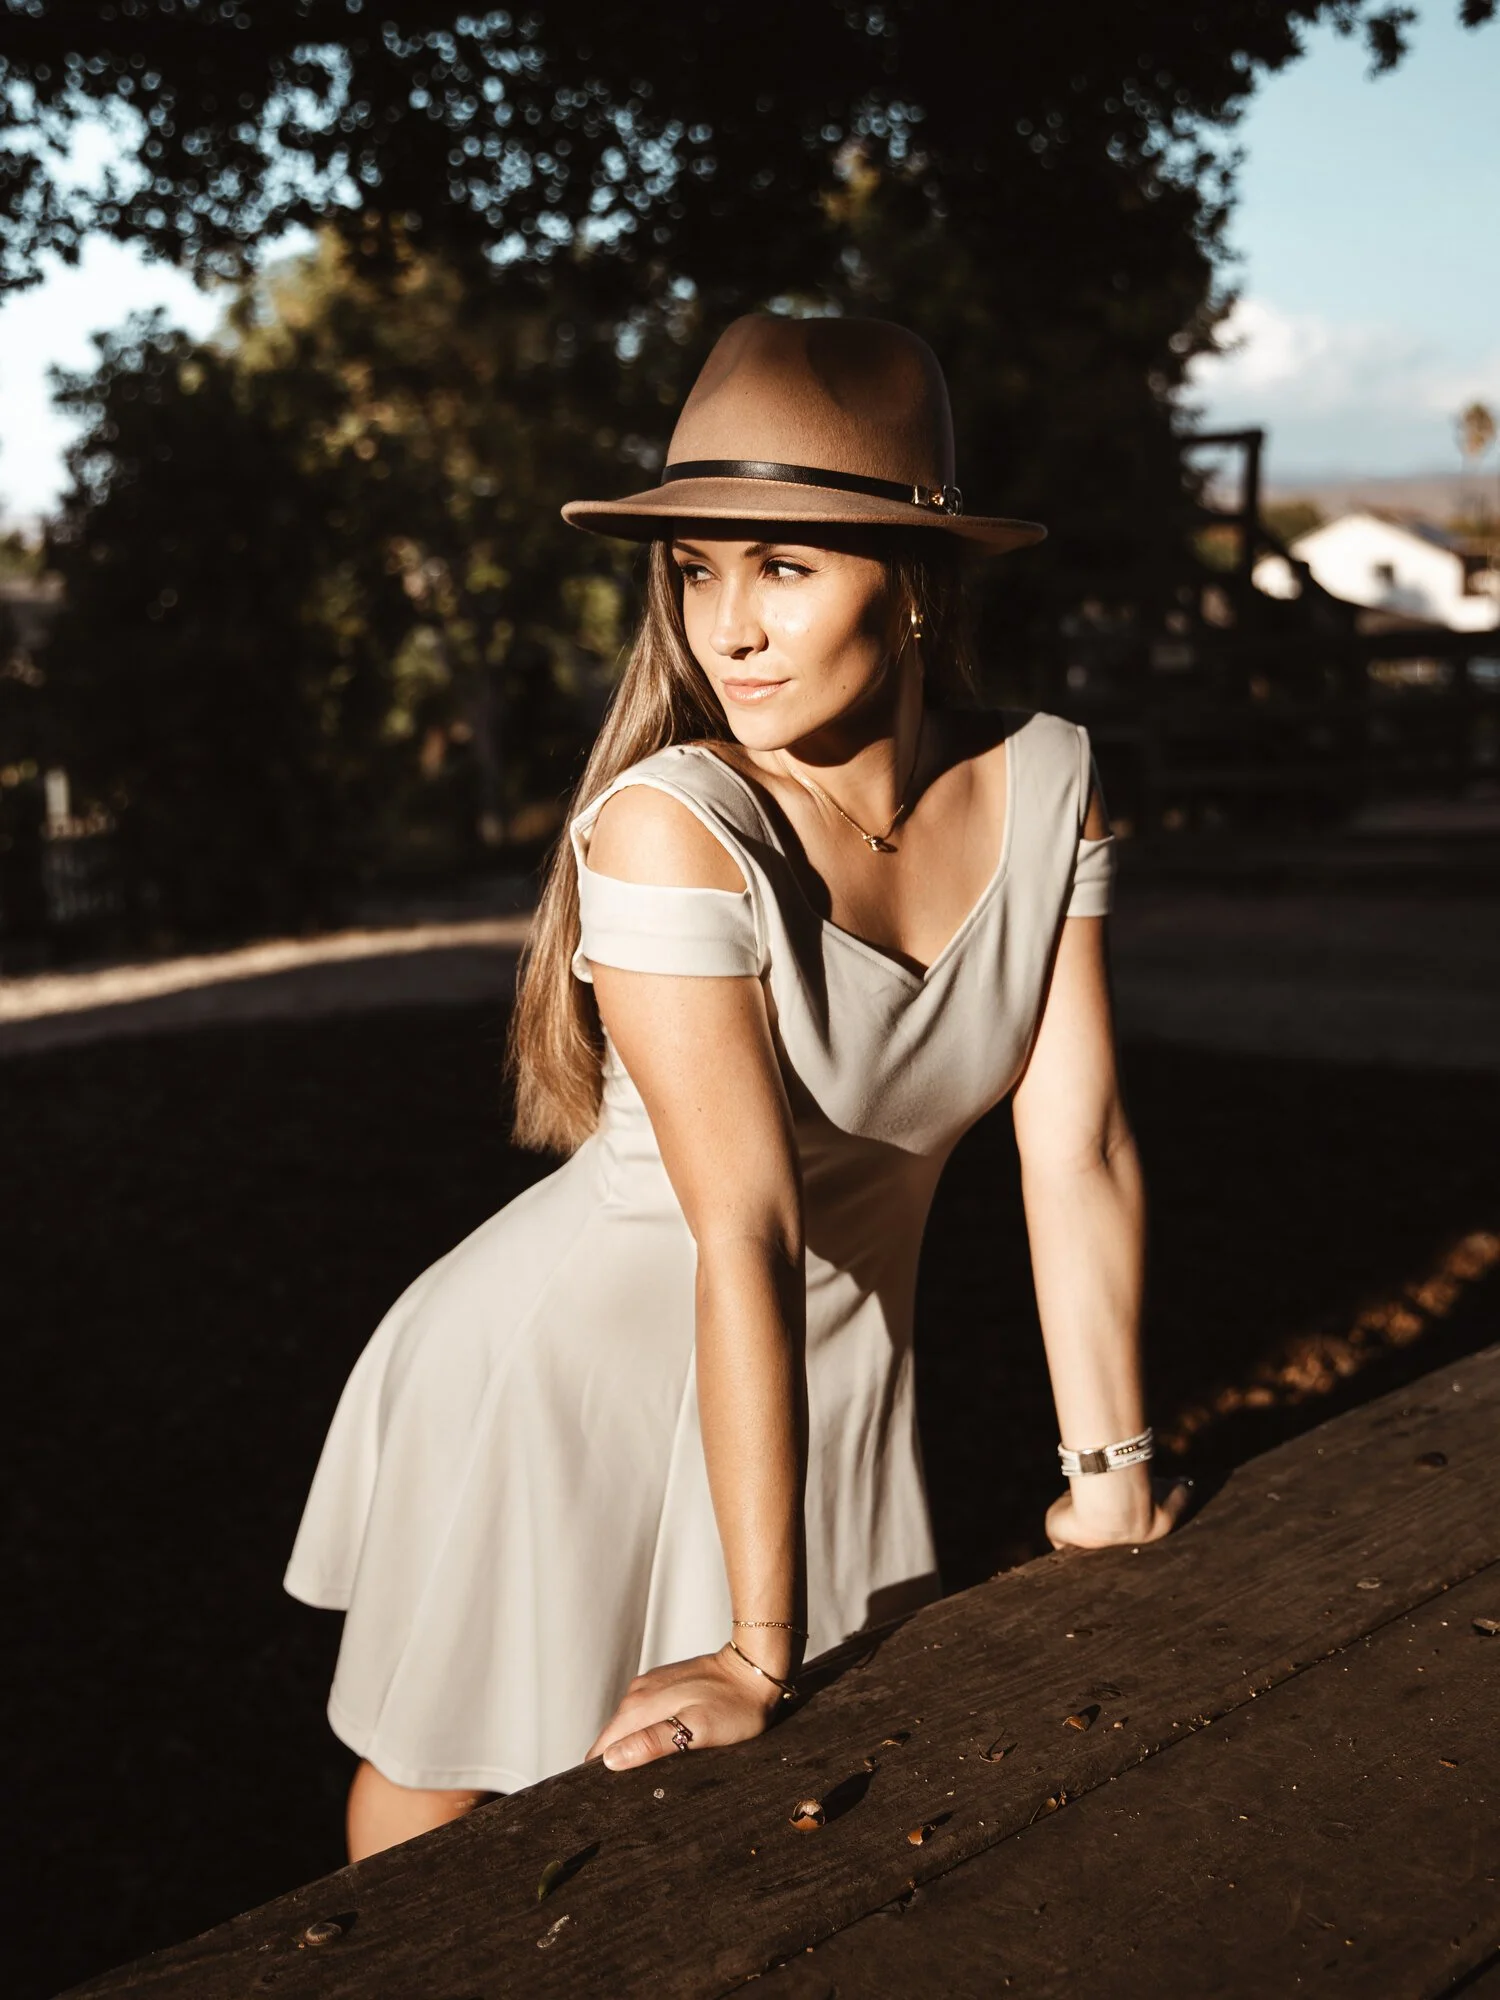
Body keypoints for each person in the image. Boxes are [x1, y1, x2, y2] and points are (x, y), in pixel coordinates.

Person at [283, 311, 1193, 1862]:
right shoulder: (675, 829)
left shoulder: (1053, 786)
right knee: (451, 1797)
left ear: (913, 587)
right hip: (562, 1375)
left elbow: (1081, 1144)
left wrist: (1108, 1477)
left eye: (784, 565)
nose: (729, 629)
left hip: (817, 1375)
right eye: (698, 571)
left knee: (783, 1839)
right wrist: (757, 1641)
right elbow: (747, 1230)